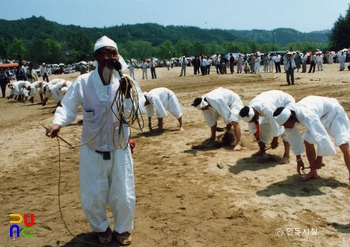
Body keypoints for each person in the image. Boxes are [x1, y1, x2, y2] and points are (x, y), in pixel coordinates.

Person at [46, 36, 144, 246]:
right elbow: (67, 107)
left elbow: (138, 110)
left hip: (119, 148)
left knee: (124, 192)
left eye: (113, 53)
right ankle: (102, 229)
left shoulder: (127, 82)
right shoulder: (83, 82)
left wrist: (128, 96)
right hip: (92, 150)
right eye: (106, 53)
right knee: (93, 194)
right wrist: (58, 124)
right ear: (96, 57)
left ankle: (123, 229)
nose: (110, 57)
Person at [273, 96, 350, 184]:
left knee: (343, 145)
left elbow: (321, 136)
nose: (285, 127)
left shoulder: (307, 115)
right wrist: (299, 159)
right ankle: (313, 172)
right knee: (308, 141)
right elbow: (293, 138)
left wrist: (319, 159)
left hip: (333, 112)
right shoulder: (288, 115)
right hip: (319, 116)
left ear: (291, 117)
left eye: (285, 125)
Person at [239, 90, 295, 164]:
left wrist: (275, 140)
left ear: (255, 113)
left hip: (285, 102)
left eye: (254, 120)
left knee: (284, 126)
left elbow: (276, 124)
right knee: (263, 125)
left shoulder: (267, 109)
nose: (253, 122)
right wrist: (260, 142)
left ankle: (286, 155)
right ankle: (262, 150)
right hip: (272, 104)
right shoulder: (249, 110)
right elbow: (253, 128)